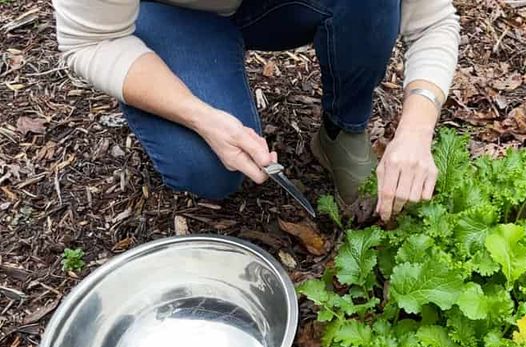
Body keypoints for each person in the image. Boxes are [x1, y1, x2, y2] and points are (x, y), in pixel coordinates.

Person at [52, 0, 459, 221]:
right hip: (171, 12)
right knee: (207, 167)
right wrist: (198, 114)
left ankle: (341, 132)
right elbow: (91, 41)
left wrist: (415, 132)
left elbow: (431, 21)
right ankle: (181, 73)